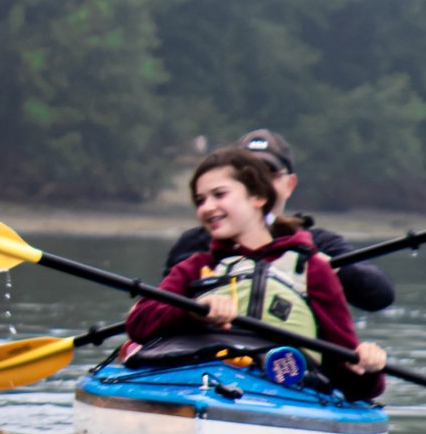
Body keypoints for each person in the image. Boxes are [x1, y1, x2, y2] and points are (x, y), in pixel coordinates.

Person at [125, 147, 386, 399]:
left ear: (258, 197)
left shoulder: (313, 269)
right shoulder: (195, 266)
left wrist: (366, 366)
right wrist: (192, 310)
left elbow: (357, 382)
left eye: (219, 194)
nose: (206, 207)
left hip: (286, 396)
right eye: (200, 200)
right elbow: (138, 323)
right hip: (197, 385)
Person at [163, 129, 394, 315]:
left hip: (286, 364)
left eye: (268, 173)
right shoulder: (196, 243)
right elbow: (162, 305)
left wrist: (327, 267)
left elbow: (380, 296)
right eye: (248, 176)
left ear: (289, 185)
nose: (259, 182)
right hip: (209, 356)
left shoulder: (315, 244)